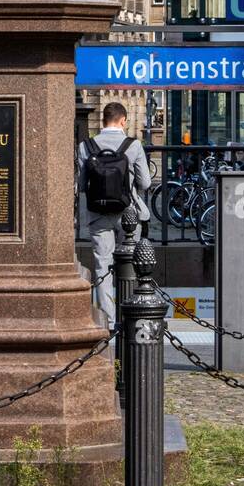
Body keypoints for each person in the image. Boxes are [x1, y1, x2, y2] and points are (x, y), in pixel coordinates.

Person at [77, 102, 152, 324]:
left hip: (98, 213)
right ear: (123, 121)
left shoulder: (86, 146)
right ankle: (130, 314)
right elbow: (145, 183)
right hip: (128, 214)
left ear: (103, 121)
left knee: (103, 264)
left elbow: (81, 186)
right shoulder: (134, 145)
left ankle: (108, 320)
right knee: (131, 263)